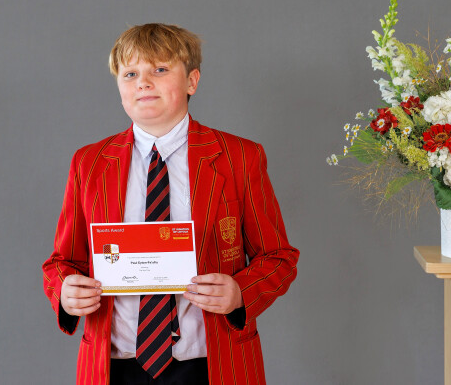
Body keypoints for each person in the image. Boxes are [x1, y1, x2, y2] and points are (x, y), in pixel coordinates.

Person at [42, 23, 299, 384]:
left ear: (192, 81)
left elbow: (278, 258)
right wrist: (65, 291)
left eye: (160, 70)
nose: (143, 83)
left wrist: (241, 292)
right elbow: (62, 262)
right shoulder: (89, 163)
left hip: (211, 364)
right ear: (119, 86)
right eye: (130, 74)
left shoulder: (240, 157)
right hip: (114, 366)